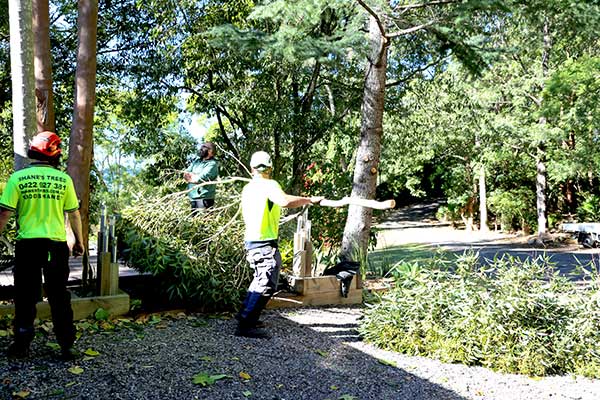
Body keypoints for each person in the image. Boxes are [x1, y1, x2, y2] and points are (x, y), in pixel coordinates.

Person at [0, 131, 84, 360]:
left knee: (25, 295)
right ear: (56, 154)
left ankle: (22, 345)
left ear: (32, 152)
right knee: (59, 295)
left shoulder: (18, 178)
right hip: (55, 247)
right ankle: (67, 345)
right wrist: (79, 241)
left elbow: (5, 213)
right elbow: (73, 214)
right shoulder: (64, 179)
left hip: (28, 245)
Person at [236, 151, 322, 338]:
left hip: (253, 240)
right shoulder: (269, 184)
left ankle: (245, 316)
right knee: (266, 282)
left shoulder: (249, 187)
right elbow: (283, 200)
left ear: (252, 168)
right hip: (263, 241)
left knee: (260, 278)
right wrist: (308, 199)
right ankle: (246, 325)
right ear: (270, 167)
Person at [184, 142, 219, 211]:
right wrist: (192, 177)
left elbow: (200, 178)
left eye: (204, 148)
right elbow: (186, 173)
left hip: (204, 198)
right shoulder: (197, 161)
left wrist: (194, 177)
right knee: (194, 220)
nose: (202, 149)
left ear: (211, 151)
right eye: (202, 147)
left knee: (204, 220)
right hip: (192, 197)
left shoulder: (212, 164)